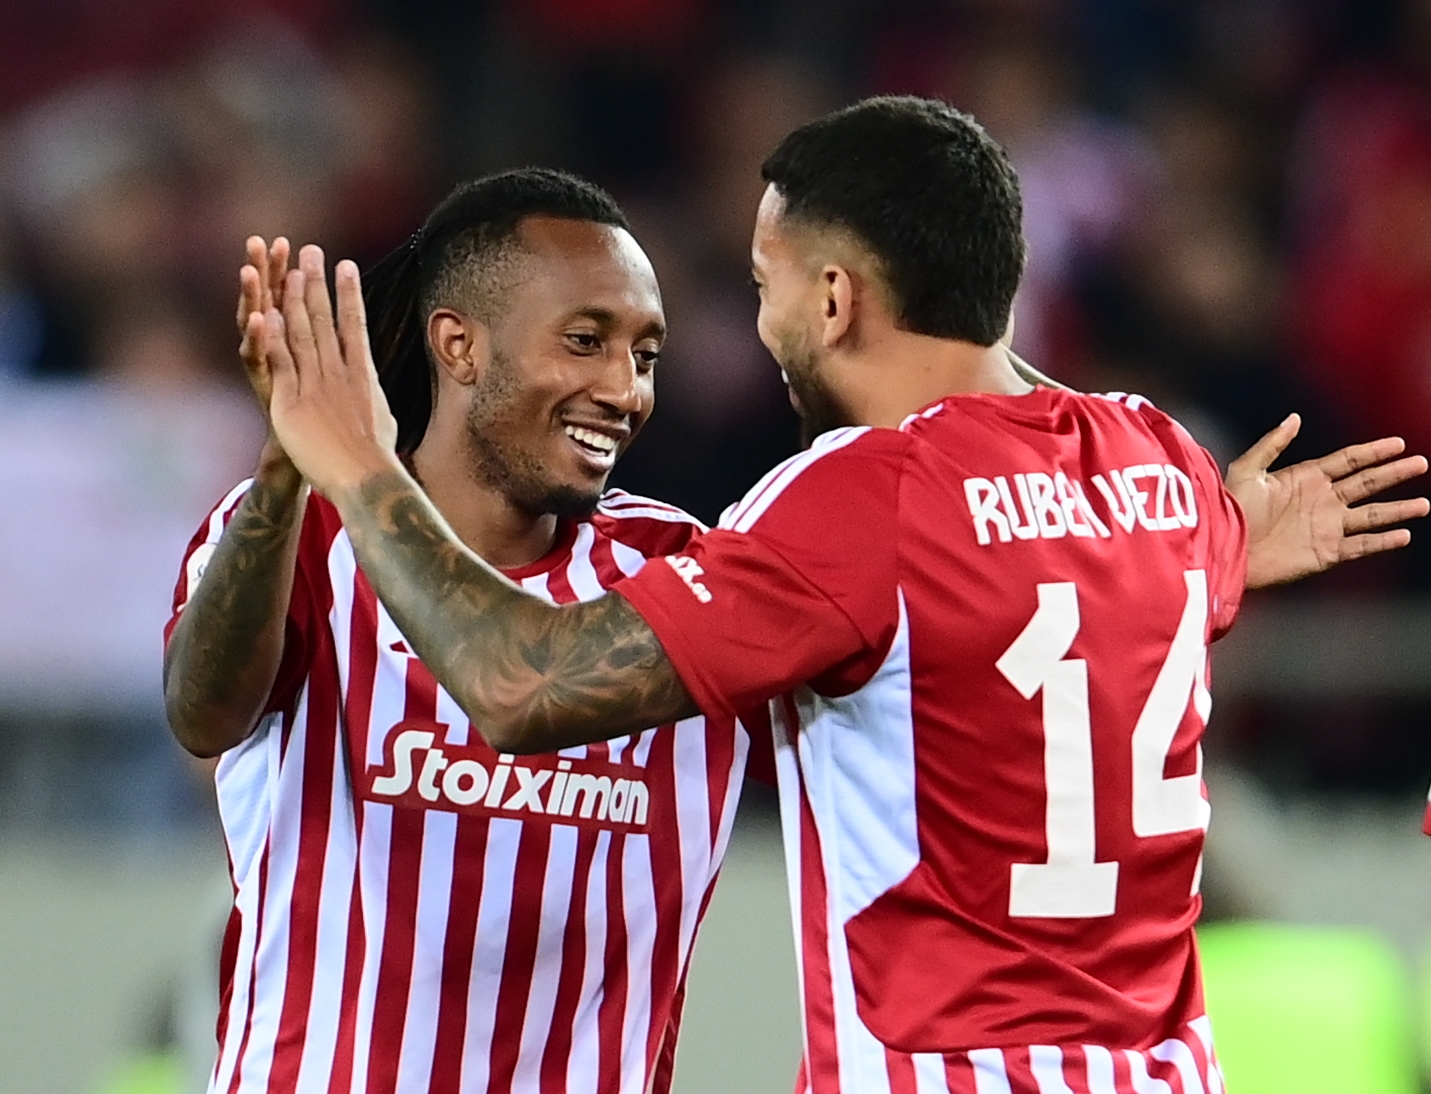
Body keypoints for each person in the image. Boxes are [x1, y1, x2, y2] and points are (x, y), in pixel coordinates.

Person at [253, 102, 1427, 1093]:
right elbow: (1098, 557)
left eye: (765, 284)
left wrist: (358, 462)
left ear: (833, 298)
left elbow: (519, 685)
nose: (763, 325)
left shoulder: (860, 500)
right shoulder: (1157, 466)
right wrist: (1212, 531)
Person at [162, 169, 756, 1094]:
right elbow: (203, 715)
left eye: (645, 355)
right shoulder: (298, 536)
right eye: (585, 341)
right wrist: (286, 470)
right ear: (460, 346)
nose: (623, 389)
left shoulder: (686, 572)